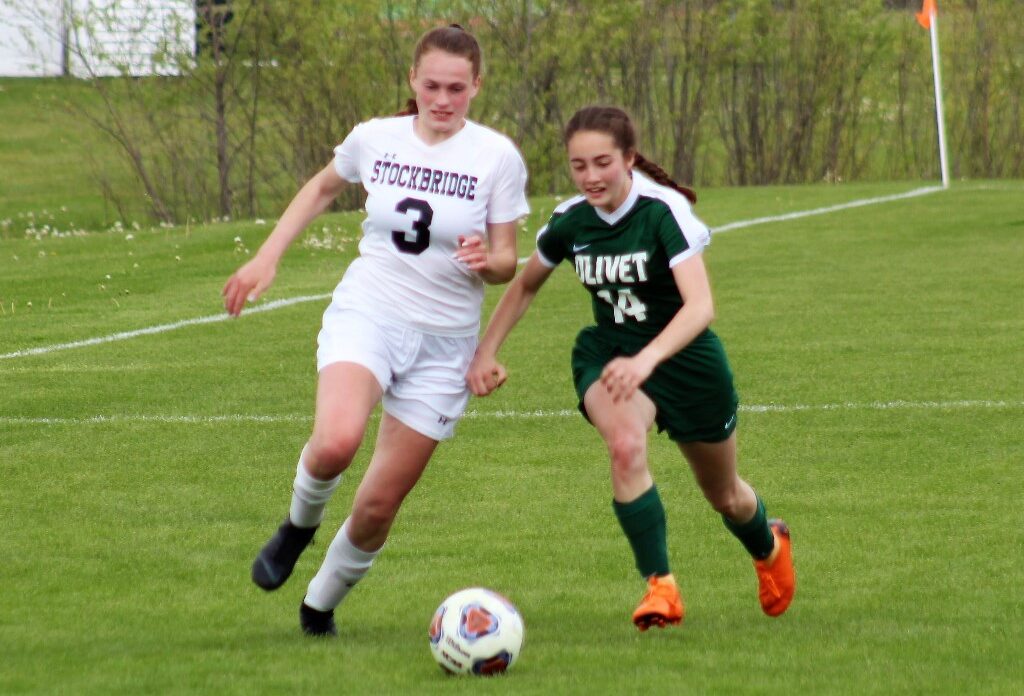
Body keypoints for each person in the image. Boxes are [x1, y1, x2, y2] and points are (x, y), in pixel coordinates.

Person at [221, 24, 529, 637]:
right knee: (336, 442)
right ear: (413, 79)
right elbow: (321, 188)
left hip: (445, 346)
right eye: (432, 86)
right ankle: (297, 528)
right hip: (371, 312)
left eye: (456, 88)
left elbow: (506, 262)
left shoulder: (497, 157)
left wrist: (485, 260)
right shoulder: (375, 138)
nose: (442, 100)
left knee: (378, 506)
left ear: (476, 86)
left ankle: (318, 608)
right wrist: (267, 256)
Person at [466, 105, 795, 630]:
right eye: (579, 166)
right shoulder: (570, 221)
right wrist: (486, 351)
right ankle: (660, 587)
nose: (591, 176)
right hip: (611, 355)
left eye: (602, 163)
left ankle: (768, 545)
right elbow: (524, 285)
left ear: (628, 159)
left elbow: (700, 307)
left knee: (725, 495)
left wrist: (648, 360)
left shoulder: (662, 211)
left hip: (686, 362)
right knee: (624, 446)